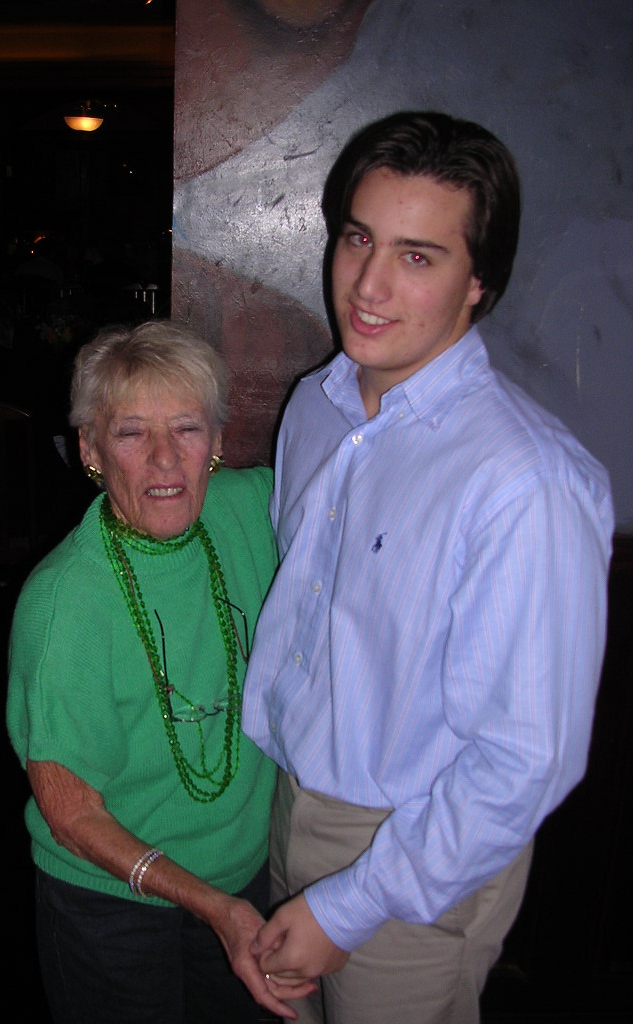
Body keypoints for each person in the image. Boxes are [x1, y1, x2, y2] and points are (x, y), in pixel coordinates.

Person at [241, 111, 614, 1023]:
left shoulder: (525, 480)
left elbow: (526, 760)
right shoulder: (315, 406)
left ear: (479, 281)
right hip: (288, 803)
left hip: (420, 855)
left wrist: (349, 904)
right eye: (357, 238)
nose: (368, 285)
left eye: (418, 256)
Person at [6, 320, 311, 1023]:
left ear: (218, 442)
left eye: (187, 428)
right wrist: (211, 906)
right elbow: (73, 815)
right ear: (89, 450)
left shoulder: (250, 510)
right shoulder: (64, 603)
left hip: (242, 883)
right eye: (131, 433)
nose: (166, 458)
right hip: (110, 905)